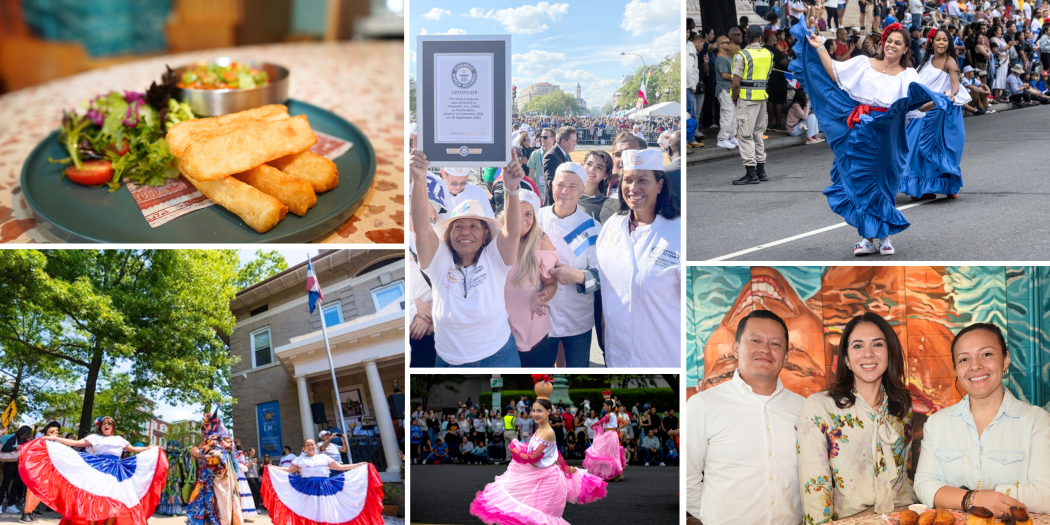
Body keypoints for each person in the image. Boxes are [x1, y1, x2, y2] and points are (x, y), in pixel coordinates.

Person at [791, 20, 951, 256]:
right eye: (889, 41)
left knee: (885, 182)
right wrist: (819, 48)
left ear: (906, 48)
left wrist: (939, 101)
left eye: (898, 43)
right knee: (861, 183)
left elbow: (914, 106)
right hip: (861, 129)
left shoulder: (908, 75)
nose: (892, 46)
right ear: (883, 42)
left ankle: (884, 237)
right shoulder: (863, 64)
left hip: (889, 133)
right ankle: (867, 238)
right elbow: (834, 72)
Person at [410, 135, 527, 367]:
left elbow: (512, 232)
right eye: (458, 226)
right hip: (448, 362)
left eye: (474, 226)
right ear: (448, 234)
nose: (466, 232)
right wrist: (419, 178)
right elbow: (422, 227)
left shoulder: (495, 258)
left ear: (485, 234)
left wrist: (512, 191)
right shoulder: (439, 260)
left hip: (499, 356)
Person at [913, 323, 1050, 517]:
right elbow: (923, 484)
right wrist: (972, 499)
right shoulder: (937, 423)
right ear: (956, 369)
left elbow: (1046, 493)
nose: (975, 366)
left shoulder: (1037, 422)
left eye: (986, 354)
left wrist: (990, 497)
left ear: (1005, 359)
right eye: (964, 359)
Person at [686, 311, 806, 523]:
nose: (765, 350)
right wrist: (711, 516)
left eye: (775, 344)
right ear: (736, 348)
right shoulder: (703, 404)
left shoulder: (803, 408)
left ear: (786, 355)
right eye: (755, 340)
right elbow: (688, 477)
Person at [797, 312, 916, 521]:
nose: (868, 353)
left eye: (877, 345)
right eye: (858, 346)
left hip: (902, 516)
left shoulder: (902, 407)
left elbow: (903, 475)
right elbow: (814, 486)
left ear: (889, 353)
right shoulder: (821, 407)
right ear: (847, 359)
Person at [469, 377, 607, 524]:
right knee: (529, 515)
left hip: (549, 480)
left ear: (548, 412)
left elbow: (533, 457)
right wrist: (565, 466)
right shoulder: (539, 429)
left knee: (541, 517)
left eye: (539, 411)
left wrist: (515, 450)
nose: (535, 414)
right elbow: (554, 452)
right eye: (533, 410)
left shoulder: (548, 432)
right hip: (539, 475)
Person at [595, 148, 681, 367]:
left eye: (643, 180)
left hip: (664, 354)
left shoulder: (678, 232)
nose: (633, 188)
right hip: (617, 354)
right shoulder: (612, 226)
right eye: (628, 180)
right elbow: (606, 288)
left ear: (659, 184)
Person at [20, 416, 165, 525]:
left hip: (116, 472)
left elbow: (134, 449)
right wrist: (56, 439)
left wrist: (149, 448)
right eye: (104, 424)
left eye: (109, 424)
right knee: (93, 499)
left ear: (112, 427)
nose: (106, 426)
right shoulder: (94, 437)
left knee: (116, 501)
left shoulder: (119, 439)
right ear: (100, 427)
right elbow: (76, 443)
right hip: (97, 469)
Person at [538, 162, 602, 368]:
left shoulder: (593, 228)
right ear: (551, 186)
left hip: (578, 319)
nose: (565, 191)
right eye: (560, 185)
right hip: (540, 315)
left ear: (582, 190)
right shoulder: (536, 219)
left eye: (573, 186)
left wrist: (578, 276)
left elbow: (604, 278)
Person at [901, 27, 971, 202]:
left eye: (945, 40)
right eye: (938, 39)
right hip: (924, 110)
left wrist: (951, 95)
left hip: (942, 110)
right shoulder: (926, 61)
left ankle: (948, 185)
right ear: (932, 41)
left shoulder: (951, 62)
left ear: (949, 43)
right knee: (915, 148)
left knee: (940, 149)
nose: (941, 43)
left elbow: (955, 84)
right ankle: (923, 188)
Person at [261, 439, 381, 525]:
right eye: (307, 445)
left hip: (325, 487)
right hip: (307, 488)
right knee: (310, 510)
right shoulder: (300, 459)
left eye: (312, 444)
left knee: (326, 510)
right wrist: (272, 467)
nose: (310, 446)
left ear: (315, 446)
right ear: (304, 448)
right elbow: (289, 470)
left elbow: (340, 467)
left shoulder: (324, 457)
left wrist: (359, 465)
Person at [501, 189, 558, 365]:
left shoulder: (541, 240)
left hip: (534, 335)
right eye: (517, 212)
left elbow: (551, 283)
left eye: (529, 214)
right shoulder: (493, 239)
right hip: (500, 334)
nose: (523, 220)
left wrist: (540, 297)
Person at [731, 30, 774, 185]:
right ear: (761, 38)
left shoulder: (742, 55)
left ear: (747, 38)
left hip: (747, 100)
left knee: (745, 135)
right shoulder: (769, 54)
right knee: (757, 134)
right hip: (762, 99)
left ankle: (751, 173)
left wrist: (734, 98)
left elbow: (736, 83)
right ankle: (761, 171)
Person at [583, 399, 626, 482]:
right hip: (611, 434)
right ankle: (612, 473)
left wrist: (592, 425)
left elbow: (600, 421)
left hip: (610, 435)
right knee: (611, 454)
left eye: (605, 406)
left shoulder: (609, 415)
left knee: (607, 454)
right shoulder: (613, 414)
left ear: (609, 406)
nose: (604, 407)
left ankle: (612, 473)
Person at [713, 36, 739, 150]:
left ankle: (731, 136)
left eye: (730, 42)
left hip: (730, 89)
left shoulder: (729, 56)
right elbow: (724, 75)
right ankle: (722, 138)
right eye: (726, 42)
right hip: (724, 89)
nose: (729, 44)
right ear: (720, 45)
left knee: (733, 114)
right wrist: (737, 77)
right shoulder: (721, 58)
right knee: (727, 114)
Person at [542, 127, 576, 205]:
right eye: (573, 141)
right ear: (563, 141)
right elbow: (551, 182)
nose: (575, 144)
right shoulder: (551, 156)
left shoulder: (565, 154)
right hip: (554, 204)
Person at [0, 425, 30, 516]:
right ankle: (0, 504)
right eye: (27, 433)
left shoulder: (25, 441)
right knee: (5, 484)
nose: (27, 435)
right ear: (22, 432)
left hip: (20, 465)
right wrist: (16, 447)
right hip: (10, 464)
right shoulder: (13, 438)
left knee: (15, 485)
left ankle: (11, 504)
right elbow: (4, 449)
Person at [577, 151, 611, 222]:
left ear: (606, 174)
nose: (592, 169)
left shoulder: (604, 206)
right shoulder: (567, 192)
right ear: (582, 165)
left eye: (599, 167)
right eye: (589, 164)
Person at [157, 440, 188, 516]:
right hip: (166, 476)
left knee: (174, 492)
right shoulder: (165, 454)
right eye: (168, 445)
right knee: (165, 491)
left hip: (175, 477)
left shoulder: (178, 455)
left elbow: (183, 465)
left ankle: (174, 511)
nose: (169, 447)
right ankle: (164, 509)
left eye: (170, 445)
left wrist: (185, 474)